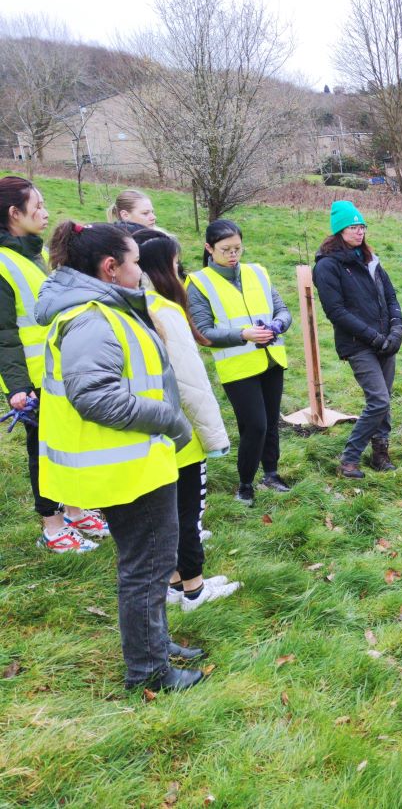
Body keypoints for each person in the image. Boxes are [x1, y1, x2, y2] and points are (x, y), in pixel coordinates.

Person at [35, 221, 204, 691]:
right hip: (125, 468)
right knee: (146, 568)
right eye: (134, 263)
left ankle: (156, 644)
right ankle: (149, 673)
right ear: (111, 268)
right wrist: (169, 420)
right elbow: (96, 396)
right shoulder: (92, 319)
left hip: (135, 462)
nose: (141, 272)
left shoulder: (107, 309)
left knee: (149, 563)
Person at [0, 175, 108, 551]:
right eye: (38, 207)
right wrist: (17, 388)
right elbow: (4, 333)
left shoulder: (36, 255)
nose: (45, 214)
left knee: (69, 445)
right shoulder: (2, 264)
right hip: (31, 383)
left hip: (60, 372)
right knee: (44, 452)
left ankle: (75, 511)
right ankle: (52, 525)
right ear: (15, 214)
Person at [135, 230, 241, 610]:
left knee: (169, 515)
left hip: (155, 428)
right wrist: (213, 435)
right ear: (164, 269)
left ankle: (177, 582)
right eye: (178, 266)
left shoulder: (137, 305)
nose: (182, 274)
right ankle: (194, 589)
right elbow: (191, 381)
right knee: (188, 512)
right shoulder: (165, 311)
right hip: (181, 433)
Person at [187, 220, 292, 506]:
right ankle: (245, 483)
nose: (233, 254)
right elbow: (203, 332)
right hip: (237, 367)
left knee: (271, 422)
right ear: (209, 248)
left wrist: (278, 324)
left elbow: (281, 308)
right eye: (225, 250)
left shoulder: (257, 272)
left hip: (270, 359)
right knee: (254, 425)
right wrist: (243, 335)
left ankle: (271, 474)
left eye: (237, 248)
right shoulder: (198, 282)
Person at [313, 201, 402, 478]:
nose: (359, 231)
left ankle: (380, 455)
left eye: (361, 226)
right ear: (340, 230)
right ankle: (349, 458)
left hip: (385, 341)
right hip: (357, 344)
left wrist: (396, 329)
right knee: (379, 400)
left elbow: (390, 296)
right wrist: (373, 337)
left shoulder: (371, 260)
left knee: (384, 399)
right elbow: (335, 311)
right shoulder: (328, 266)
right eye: (353, 227)